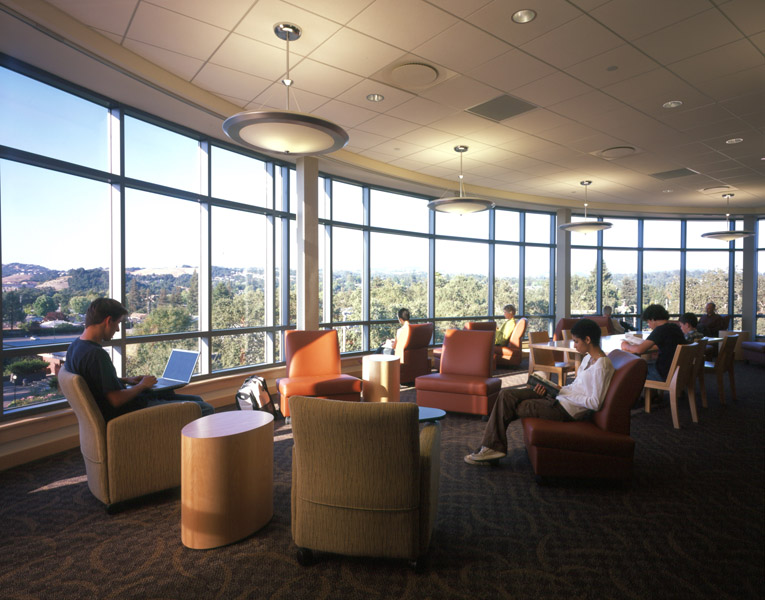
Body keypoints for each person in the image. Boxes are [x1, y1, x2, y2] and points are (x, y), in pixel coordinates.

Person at [465, 318, 614, 465]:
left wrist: (561, 393)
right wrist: (557, 388)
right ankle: (491, 447)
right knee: (506, 394)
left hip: (564, 410)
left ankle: (491, 448)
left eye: (576, 341)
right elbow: (576, 386)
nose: (574, 345)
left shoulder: (602, 365)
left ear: (587, 339)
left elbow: (595, 403)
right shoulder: (588, 359)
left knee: (511, 406)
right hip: (560, 397)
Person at [64, 298, 213, 422]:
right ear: (108, 321)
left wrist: (127, 380)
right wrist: (142, 385)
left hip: (128, 405)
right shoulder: (96, 354)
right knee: (205, 408)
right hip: (131, 412)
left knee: (196, 399)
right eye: (118, 324)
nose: (117, 330)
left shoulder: (76, 347)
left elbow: (96, 383)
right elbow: (115, 400)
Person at [621, 304, 685, 382]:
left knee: (631, 370)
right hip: (679, 371)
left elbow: (639, 350)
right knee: (647, 364)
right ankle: (653, 394)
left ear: (652, 319)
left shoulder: (660, 330)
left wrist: (626, 345)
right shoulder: (675, 328)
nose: (649, 325)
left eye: (648, 322)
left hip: (664, 373)